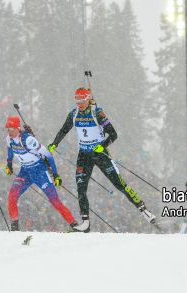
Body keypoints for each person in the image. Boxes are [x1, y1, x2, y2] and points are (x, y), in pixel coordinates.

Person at [47, 87, 158, 233]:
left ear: (88, 99)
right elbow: (64, 130)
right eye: (77, 101)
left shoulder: (97, 113)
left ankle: (144, 210)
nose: (79, 104)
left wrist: (103, 145)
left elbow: (113, 134)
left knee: (119, 184)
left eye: (82, 101)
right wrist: (55, 143)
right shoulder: (73, 114)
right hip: (84, 155)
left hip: (100, 154)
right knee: (81, 188)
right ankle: (85, 223)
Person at [5, 116, 78, 231]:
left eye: (11, 129)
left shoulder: (28, 140)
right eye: (7, 129)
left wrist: (56, 174)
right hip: (25, 172)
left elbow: (48, 154)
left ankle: (75, 225)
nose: (9, 131)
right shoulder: (9, 139)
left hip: (40, 172)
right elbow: (10, 150)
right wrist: (9, 164)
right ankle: (14, 228)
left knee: (55, 201)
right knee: (11, 197)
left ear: (18, 128)